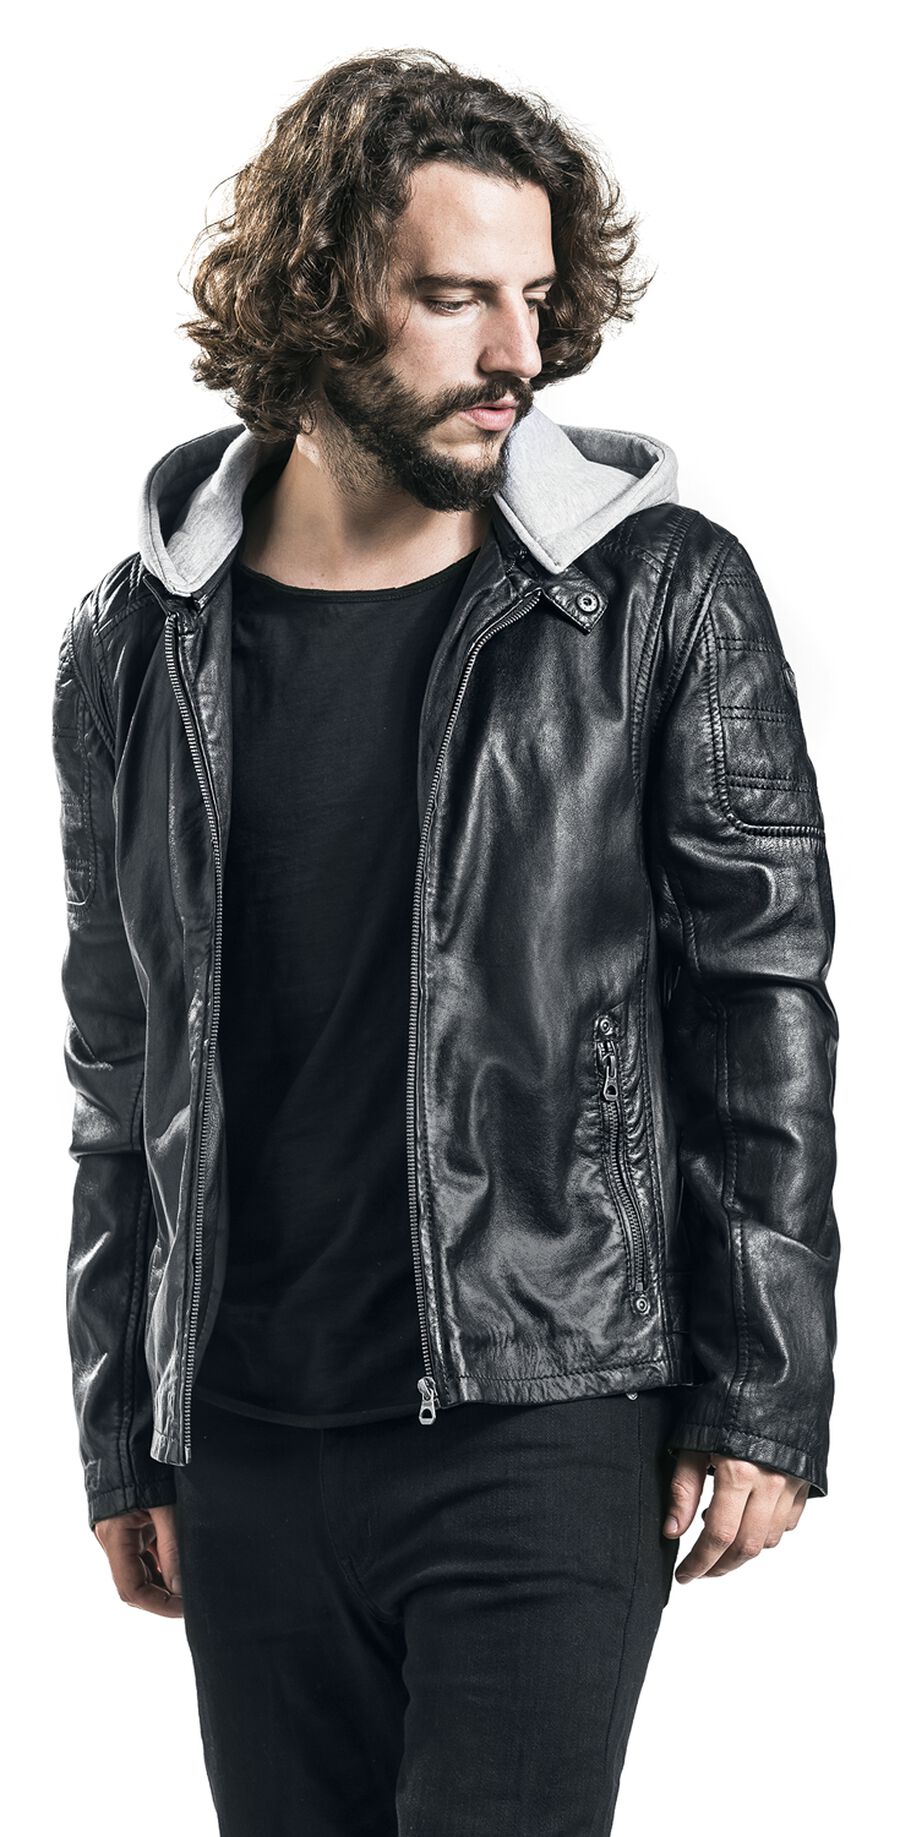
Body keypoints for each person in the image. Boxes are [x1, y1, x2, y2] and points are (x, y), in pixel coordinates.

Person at [51, 45, 840, 1837]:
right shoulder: (136, 643)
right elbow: (123, 1054)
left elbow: (758, 999)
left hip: (543, 1408)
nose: (518, 353)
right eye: (454, 295)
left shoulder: (654, 597)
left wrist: (765, 1384)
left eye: (537, 299)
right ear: (319, 297)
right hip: (243, 1437)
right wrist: (123, 1419)